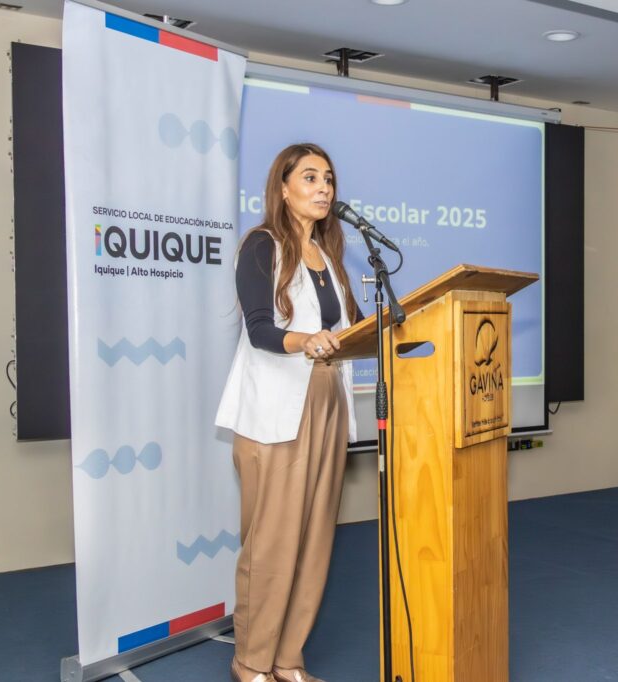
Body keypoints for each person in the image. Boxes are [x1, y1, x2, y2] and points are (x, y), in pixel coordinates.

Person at [215, 143, 362, 682]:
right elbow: (259, 329)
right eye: (310, 177)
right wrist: (307, 340)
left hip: (327, 401)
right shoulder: (263, 245)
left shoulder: (329, 256)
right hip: (277, 408)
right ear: (283, 187)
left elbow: (354, 328)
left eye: (329, 178)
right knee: (272, 544)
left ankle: (287, 659)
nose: (324, 188)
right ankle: (251, 663)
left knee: (314, 541)